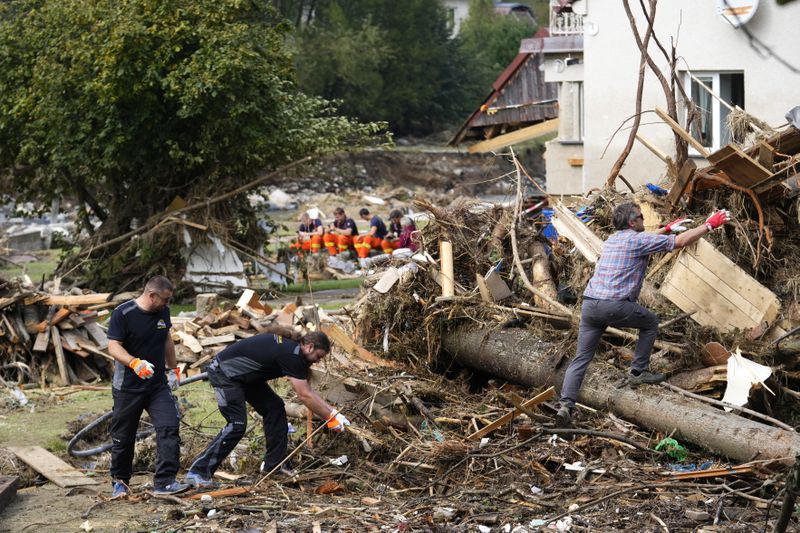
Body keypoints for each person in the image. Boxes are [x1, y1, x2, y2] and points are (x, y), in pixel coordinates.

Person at [555, 203, 731, 428]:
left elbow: (648, 240)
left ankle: (566, 406)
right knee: (650, 322)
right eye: (640, 217)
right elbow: (680, 242)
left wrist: (666, 229)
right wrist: (709, 225)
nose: (643, 220)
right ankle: (638, 371)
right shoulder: (638, 240)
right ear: (632, 222)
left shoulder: (612, 240)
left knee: (581, 358)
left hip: (590, 306)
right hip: (614, 306)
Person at [184, 331, 350, 488]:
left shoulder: (294, 351)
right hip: (224, 373)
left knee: (275, 408)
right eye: (318, 356)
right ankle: (197, 473)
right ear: (310, 346)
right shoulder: (291, 354)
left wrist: (334, 414)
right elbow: (304, 395)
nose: (317, 361)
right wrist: (330, 418)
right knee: (237, 423)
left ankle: (273, 466)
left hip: (246, 377)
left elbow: (309, 391)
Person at [107, 276, 188, 498]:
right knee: (124, 436)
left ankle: (165, 482)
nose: (168, 304)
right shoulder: (123, 314)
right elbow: (113, 346)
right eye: (165, 299)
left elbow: (166, 339)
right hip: (128, 388)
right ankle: (120, 482)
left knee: (169, 426)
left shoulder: (162, 312)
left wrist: (173, 369)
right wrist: (134, 362)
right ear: (152, 296)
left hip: (157, 386)